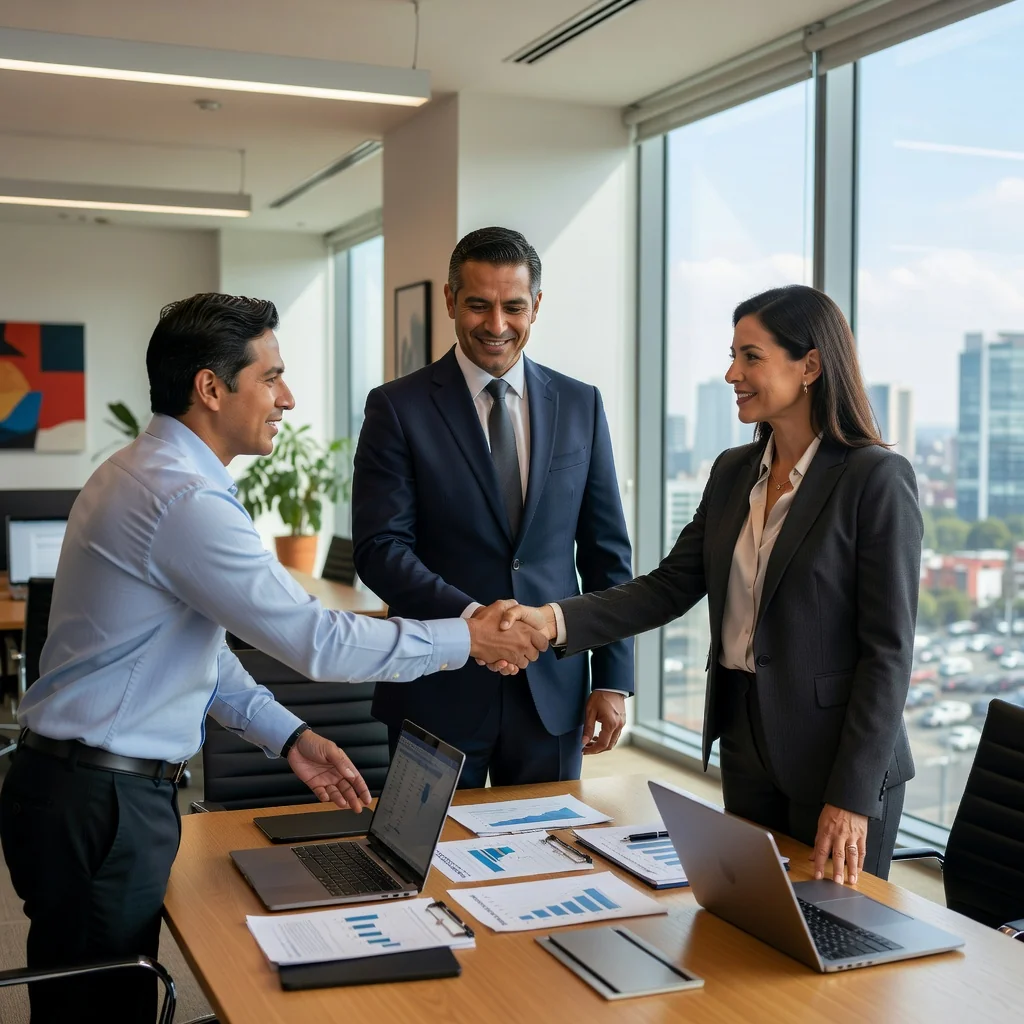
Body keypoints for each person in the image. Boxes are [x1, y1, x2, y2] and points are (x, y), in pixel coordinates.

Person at [0, 292, 547, 1024]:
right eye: (272, 376)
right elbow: (319, 641)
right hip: (101, 804)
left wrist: (289, 735)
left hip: (80, 789)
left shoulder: (137, 470)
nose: (287, 397)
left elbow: (196, 652)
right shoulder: (182, 497)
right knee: (97, 1012)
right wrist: (469, 636)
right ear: (210, 387)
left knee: (93, 1002)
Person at [502, 285, 922, 885]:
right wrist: (552, 621)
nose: (732, 373)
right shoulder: (732, 472)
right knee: (754, 921)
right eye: (733, 355)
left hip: (838, 758)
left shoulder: (874, 479)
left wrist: (853, 797)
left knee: (836, 938)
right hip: (747, 740)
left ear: (810, 365)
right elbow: (669, 586)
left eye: (751, 356)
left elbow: (888, 653)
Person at [352, 227, 634, 788]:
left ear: (536, 306)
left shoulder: (581, 403)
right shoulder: (398, 407)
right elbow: (381, 549)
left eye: (514, 307)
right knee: (425, 868)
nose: (497, 325)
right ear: (452, 301)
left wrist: (612, 677)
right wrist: (475, 622)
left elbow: (607, 553)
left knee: (549, 860)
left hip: (551, 689)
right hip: (436, 686)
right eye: (478, 305)